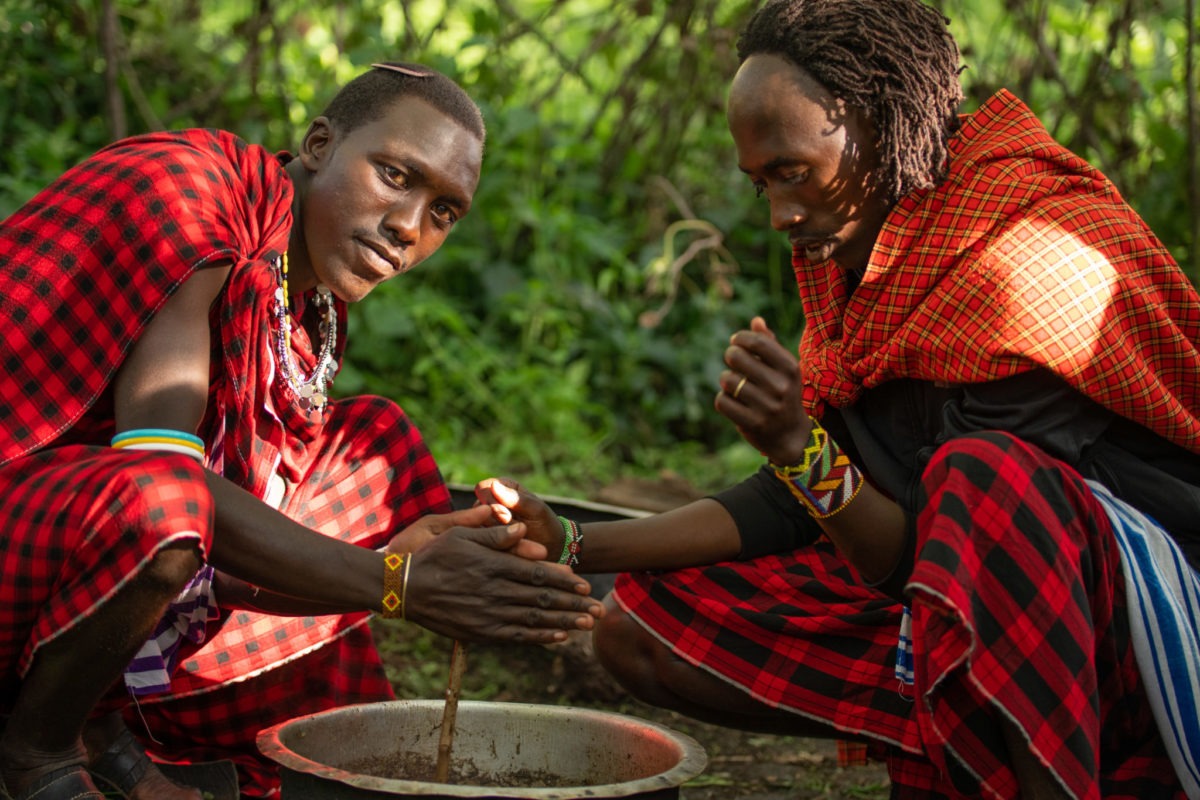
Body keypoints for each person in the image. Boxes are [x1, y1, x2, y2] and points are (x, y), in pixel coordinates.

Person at [476, 1, 1200, 797]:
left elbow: (922, 553)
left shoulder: (1030, 254)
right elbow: (811, 499)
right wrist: (574, 541)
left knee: (981, 477)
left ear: (879, 127)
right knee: (645, 627)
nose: (782, 213)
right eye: (761, 185)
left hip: (1142, 637)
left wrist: (799, 448)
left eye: (792, 171)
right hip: (962, 604)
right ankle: (961, 743)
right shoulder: (869, 243)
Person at [0, 62, 604, 800]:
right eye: (395, 175)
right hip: (27, 520)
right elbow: (164, 482)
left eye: (444, 212)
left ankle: (101, 722)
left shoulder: (308, 310)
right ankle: (39, 752)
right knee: (166, 502)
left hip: (95, 559)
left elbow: (212, 563)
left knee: (378, 445)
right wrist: (394, 584)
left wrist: (398, 559)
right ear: (319, 143)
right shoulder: (191, 192)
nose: (409, 227)